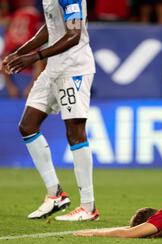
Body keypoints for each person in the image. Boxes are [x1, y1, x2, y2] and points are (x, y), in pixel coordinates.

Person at [0, 0, 99, 221]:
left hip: (74, 69)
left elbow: (74, 35)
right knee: (27, 126)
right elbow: (51, 26)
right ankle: (56, 194)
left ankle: (88, 207)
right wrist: (19, 52)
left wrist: (35, 56)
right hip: (53, 69)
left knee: (75, 132)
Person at [1, 0, 43, 98]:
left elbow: (5, 22)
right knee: (38, 58)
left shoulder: (16, 14)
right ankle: (31, 88)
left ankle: (12, 88)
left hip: (13, 42)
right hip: (26, 41)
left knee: (5, 59)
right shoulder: (35, 13)